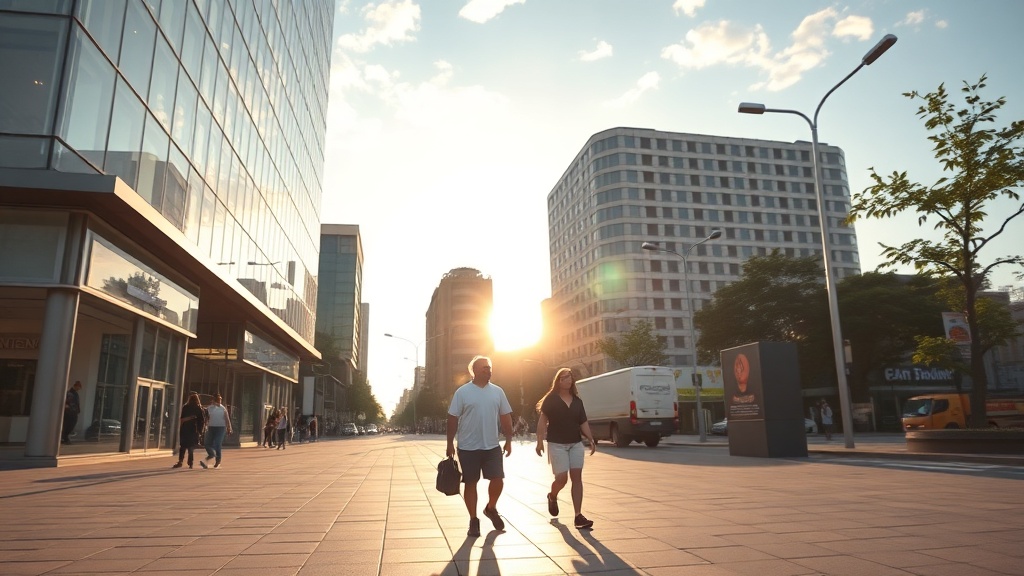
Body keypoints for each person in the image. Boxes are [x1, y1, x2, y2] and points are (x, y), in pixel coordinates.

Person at [447, 355, 513, 537]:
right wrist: (449, 443)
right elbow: (452, 418)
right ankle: (473, 520)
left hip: (491, 445)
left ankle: (491, 508)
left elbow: (505, 416)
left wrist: (508, 439)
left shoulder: (498, 392)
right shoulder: (463, 392)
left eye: (489, 367)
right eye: (484, 367)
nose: (488, 370)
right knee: (470, 483)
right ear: (474, 371)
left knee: (498, 479)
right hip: (468, 447)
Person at [535, 368, 597, 529]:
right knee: (562, 479)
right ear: (558, 381)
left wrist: (591, 439)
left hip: (575, 443)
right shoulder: (551, 400)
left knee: (577, 477)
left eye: (570, 377)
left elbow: (583, 422)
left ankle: (578, 516)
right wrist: (539, 441)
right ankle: (552, 495)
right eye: (564, 378)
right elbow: (542, 422)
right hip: (557, 444)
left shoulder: (577, 401)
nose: (568, 380)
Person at [173, 393, 206, 469]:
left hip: (185, 428)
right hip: (194, 429)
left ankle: (180, 461)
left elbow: (181, 419)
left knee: (183, 446)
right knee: (191, 447)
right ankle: (190, 462)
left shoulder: (185, 407)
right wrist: (200, 431)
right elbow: (202, 421)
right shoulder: (199, 408)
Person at [200, 394, 232, 468]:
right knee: (207, 444)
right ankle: (211, 454)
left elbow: (227, 419)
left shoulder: (223, 408)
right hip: (211, 427)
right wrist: (204, 426)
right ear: (213, 400)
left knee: (217, 443)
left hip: (221, 428)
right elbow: (206, 418)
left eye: (220, 399)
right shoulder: (209, 408)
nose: (219, 401)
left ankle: (217, 460)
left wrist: (229, 427)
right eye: (218, 399)